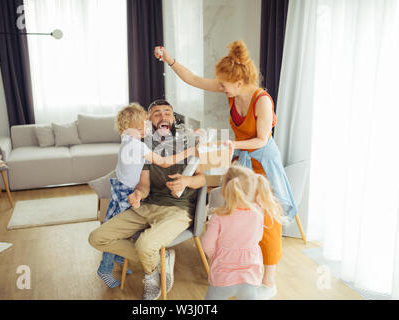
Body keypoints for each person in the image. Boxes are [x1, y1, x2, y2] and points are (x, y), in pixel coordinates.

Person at [155, 40, 297, 299]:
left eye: (224, 85)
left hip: (264, 162)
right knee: (241, 216)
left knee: (268, 221)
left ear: (239, 83)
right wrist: (169, 59)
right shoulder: (230, 87)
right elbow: (195, 80)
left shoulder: (262, 101)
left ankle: (269, 282)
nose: (220, 88)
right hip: (242, 161)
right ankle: (242, 273)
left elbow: (262, 140)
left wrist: (232, 144)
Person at [89, 99, 206, 300]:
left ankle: (152, 277)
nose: (163, 116)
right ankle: (160, 261)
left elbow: (202, 178)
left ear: (174, 118)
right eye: (157, 113)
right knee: (97, 237)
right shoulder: (142, 147)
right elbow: (143, 185)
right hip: (147, 206)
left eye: (167, 112)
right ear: (149, 122)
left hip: (177, 210)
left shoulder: (190, 142)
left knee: (145, 245)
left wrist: (186, 181)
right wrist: (137, 194)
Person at [202, 165, 287, 300]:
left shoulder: (218, 215)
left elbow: (207, 244)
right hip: (250, 278)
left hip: (222, 278)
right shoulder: (259, 212)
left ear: (225, 190)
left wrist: (216, 255)